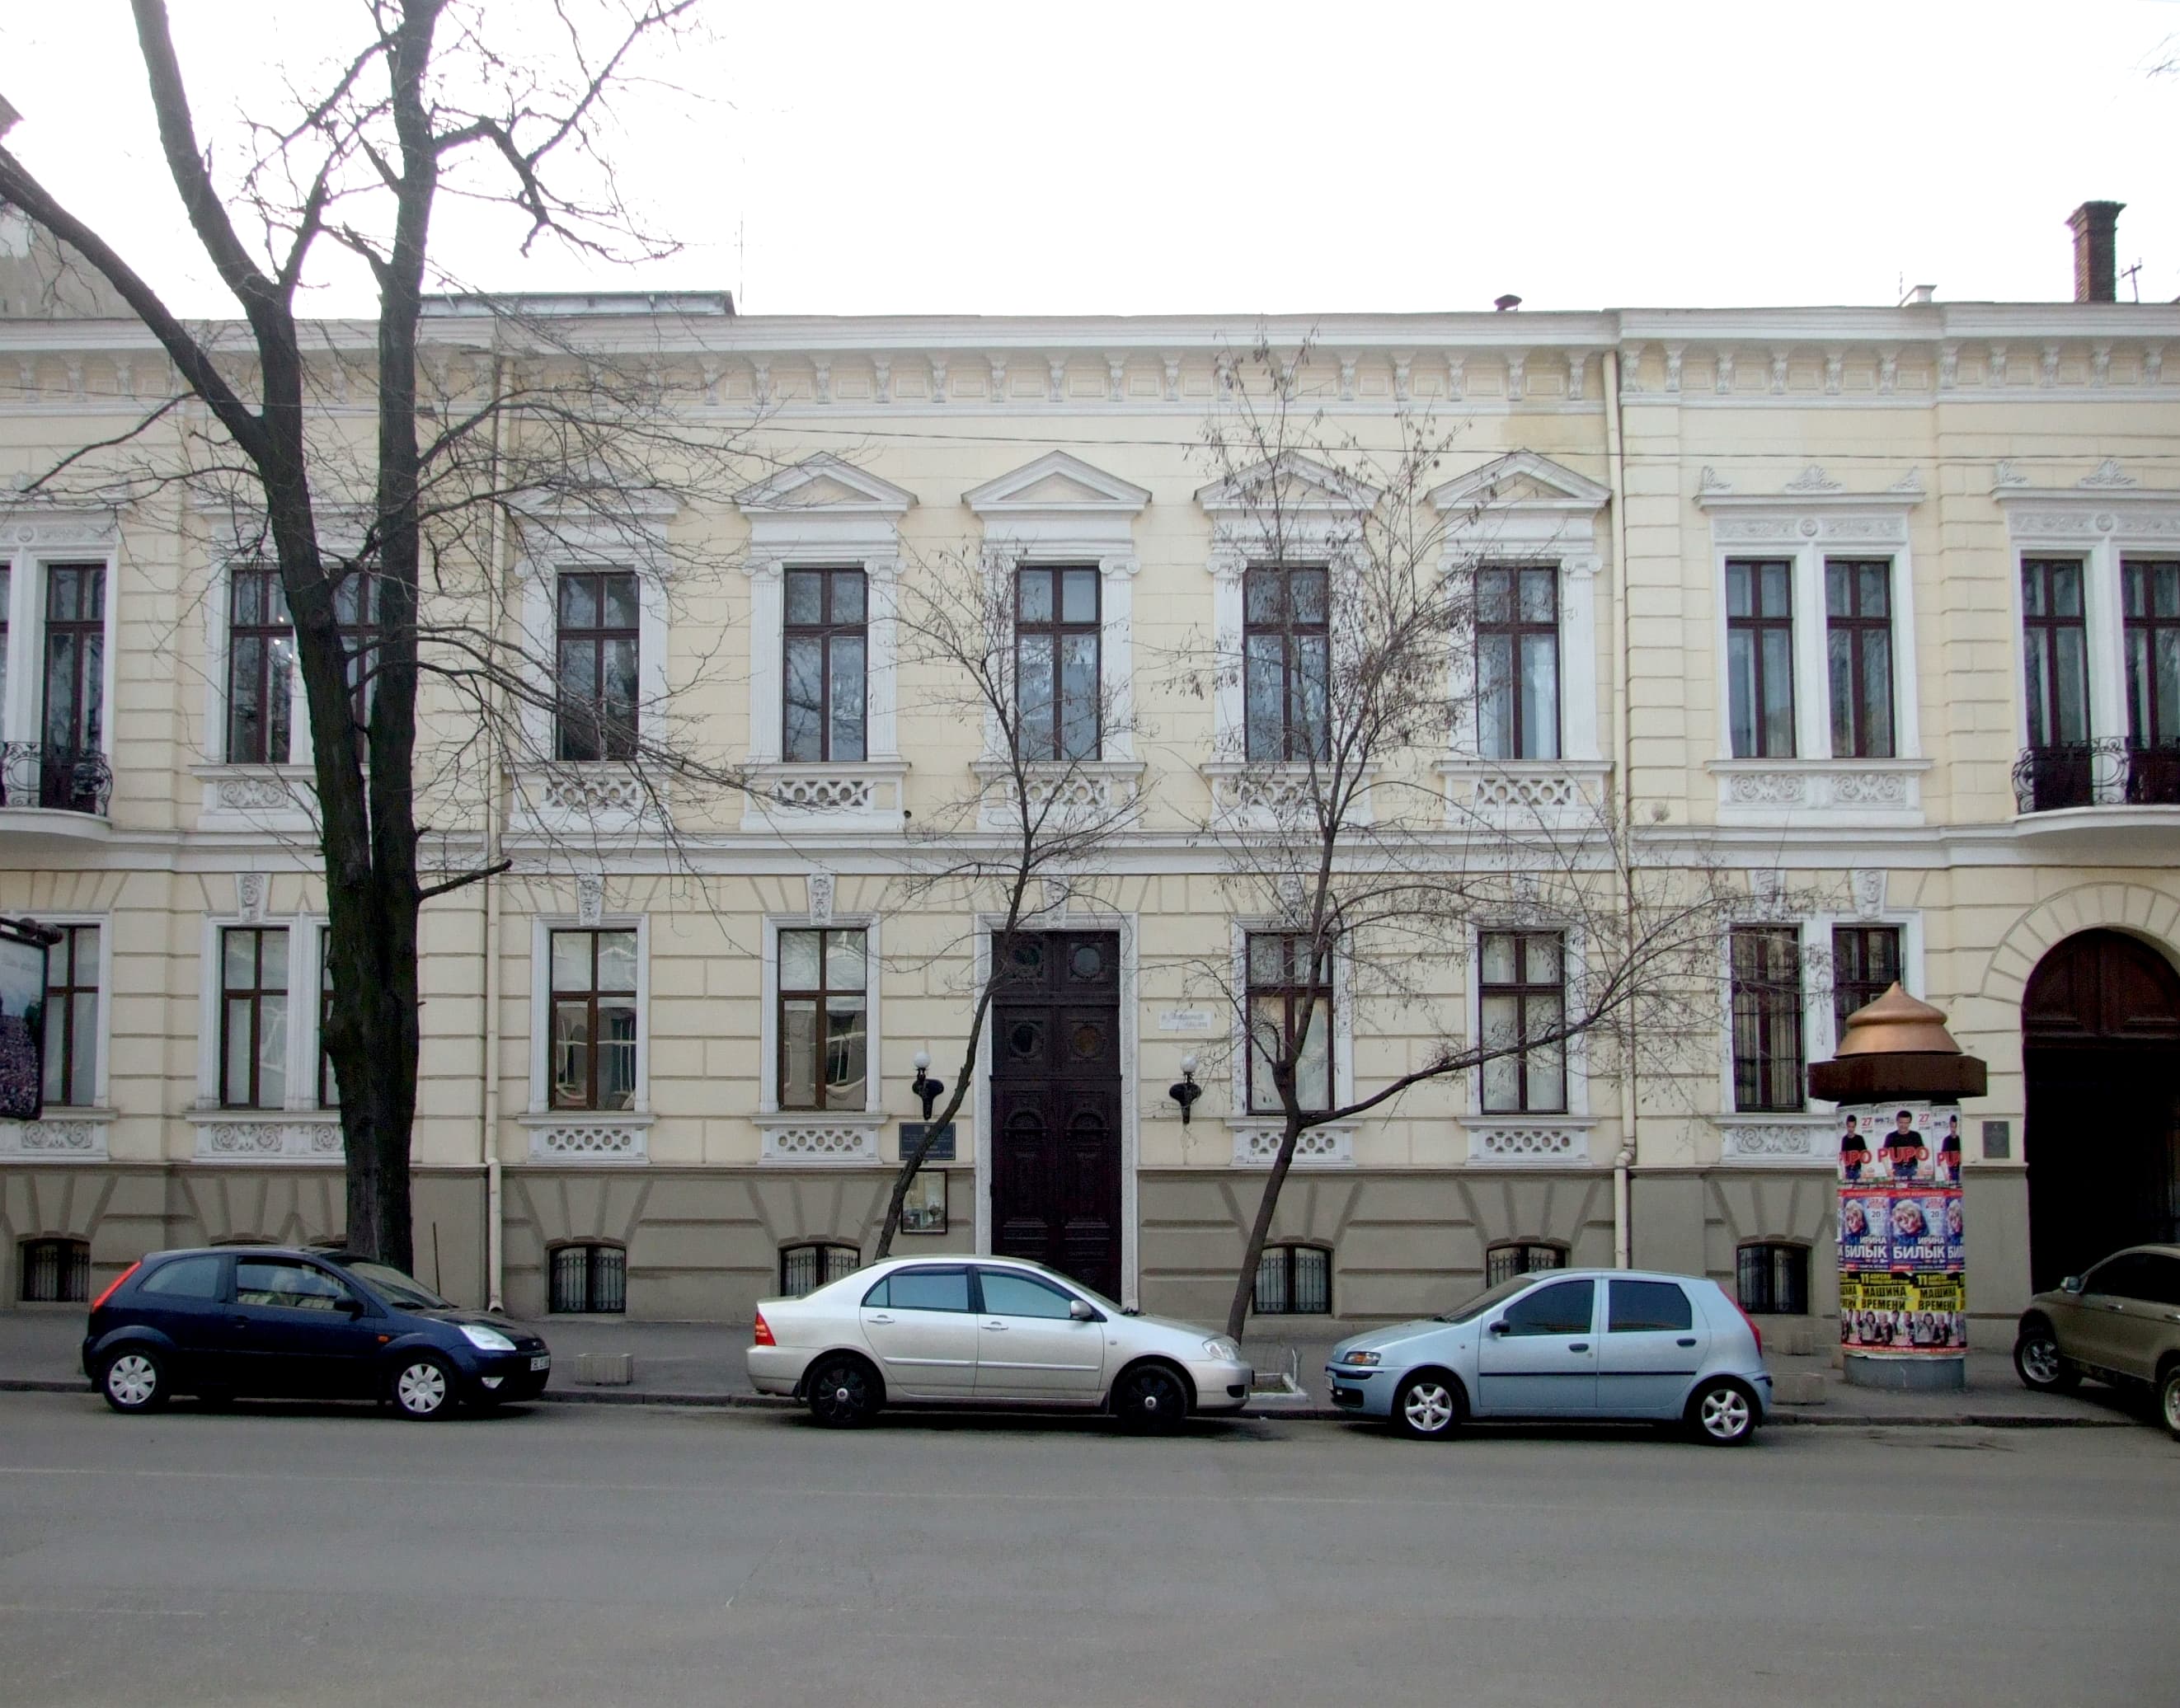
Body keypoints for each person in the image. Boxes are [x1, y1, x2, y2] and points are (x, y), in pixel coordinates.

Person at [1882, 1110, 1928, 1181]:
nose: (1903, 1125)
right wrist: (1887, 1170)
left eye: (1906, 1123)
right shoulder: (1891, 1136)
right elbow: (1884, 1155)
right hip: (1897, 1169)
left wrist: (1921, 1170)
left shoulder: (1915, 1135)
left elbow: (1922, 1153)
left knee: (1915, 1190)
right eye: (1901, 1123)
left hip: (1913, 1168)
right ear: (1897, 1122)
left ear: (1910, 1123)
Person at [1839, 1114, 1872, 1181]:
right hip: (1848, 1171)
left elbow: (1865, 1155)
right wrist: (1843, 1172)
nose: (1851, 1129)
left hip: (1858, 1171)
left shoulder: (1859, 1139)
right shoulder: (1844, 1139)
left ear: (1855, 1126)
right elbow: (1842, 1157)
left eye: (1853, 1127)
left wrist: (1864, 1171)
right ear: (1846, 1126)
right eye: (1849, 1127)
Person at [1937, 1114, 1962, 1184]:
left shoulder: (1959, 1140)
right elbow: (1942, 1158)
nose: (1953, 1129)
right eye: (1952, 1127)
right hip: (1950, 1170)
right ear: (1949, 1126)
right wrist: (1945, 1173)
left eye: (1955, 1127)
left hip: (1959, 1170)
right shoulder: (1946, 1140)